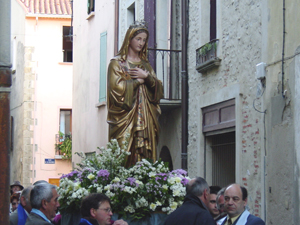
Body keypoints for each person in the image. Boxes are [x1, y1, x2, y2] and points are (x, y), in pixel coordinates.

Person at [107, 20, 164, 167]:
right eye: (138, 39)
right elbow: (116, 88)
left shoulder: (145, 65)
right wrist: (138, 82)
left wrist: (147, 77)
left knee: (146, 152)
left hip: (146, 116)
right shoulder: (117, 63)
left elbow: (158, 89)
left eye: (144, 40)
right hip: (125, 117)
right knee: (122, 152)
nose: (141, 43)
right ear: (129, 39)